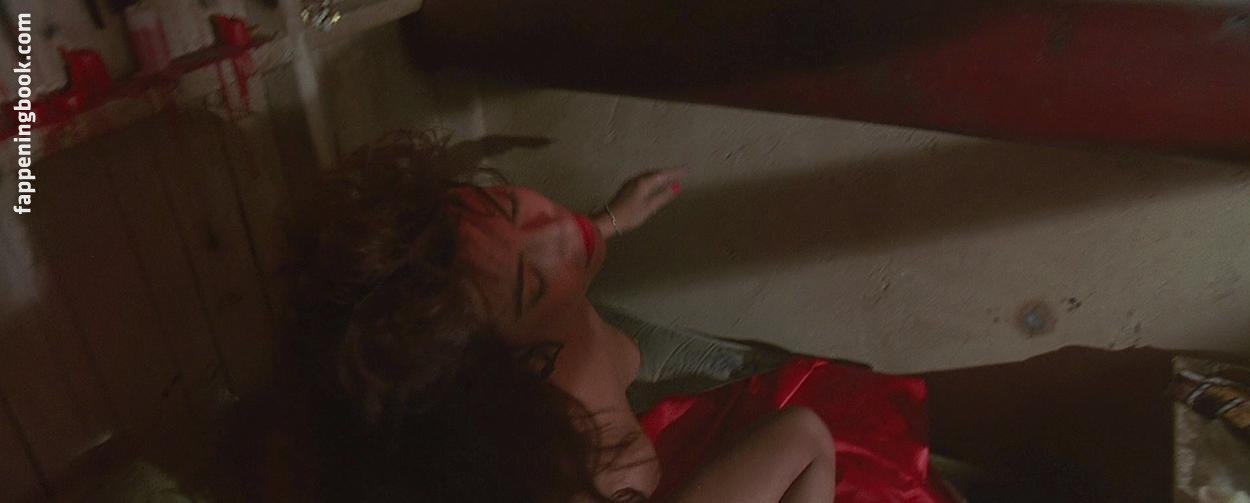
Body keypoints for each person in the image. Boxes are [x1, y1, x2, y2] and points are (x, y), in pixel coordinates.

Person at [288, 132, 948, 502]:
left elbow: (543, 251)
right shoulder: (580, 445)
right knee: (810, 423)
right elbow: (803, 437)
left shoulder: (537, 328)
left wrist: (609, 220)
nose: (554, 227)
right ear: (519, 368)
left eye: (511, 205)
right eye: (531, 283)